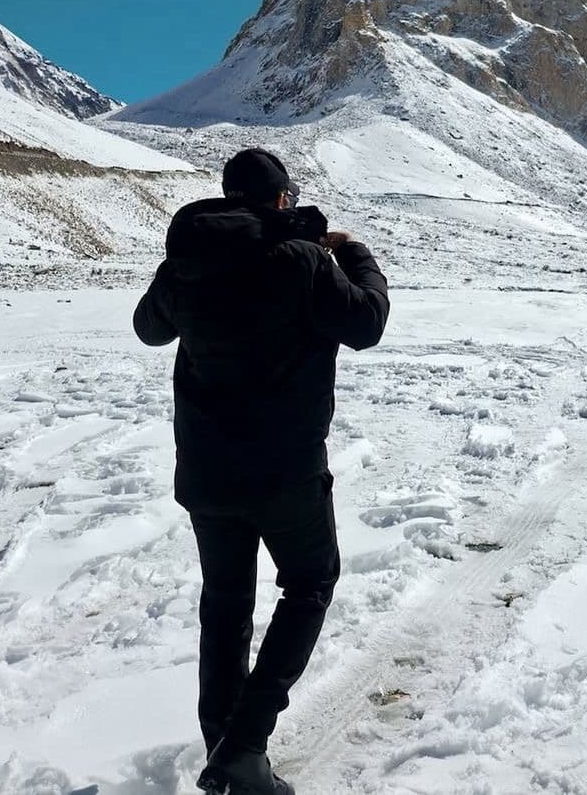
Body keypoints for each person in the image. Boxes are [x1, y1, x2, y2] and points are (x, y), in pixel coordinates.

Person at [133, 147, 389, 795]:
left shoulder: (188, 262)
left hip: (206, 475)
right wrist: (348, 252)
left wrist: (181, 275)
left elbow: (147, 328)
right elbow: (366, 323)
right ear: (280, 200)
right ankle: (242, 747)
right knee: (308, 585)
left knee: (224, 609)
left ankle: (224, 752)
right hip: (285, 473)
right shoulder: (301, 261)